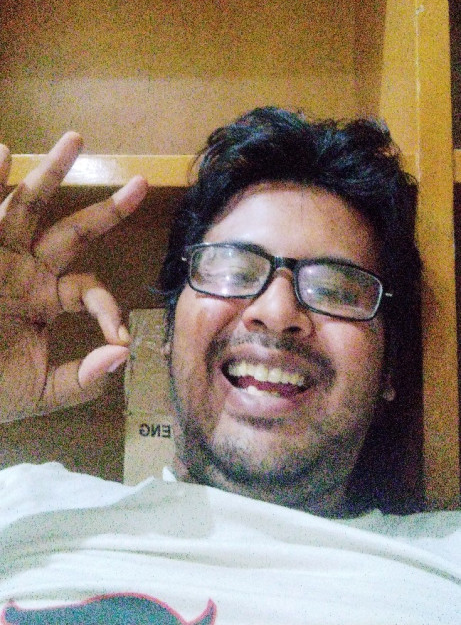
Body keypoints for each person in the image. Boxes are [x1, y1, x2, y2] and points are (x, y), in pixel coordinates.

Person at [0, 108, 459, 624]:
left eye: (335, 288)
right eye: (233, 269)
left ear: (390, 367)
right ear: (168, 334)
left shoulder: (447, 566)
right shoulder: (23, 508)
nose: (277, 312)